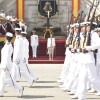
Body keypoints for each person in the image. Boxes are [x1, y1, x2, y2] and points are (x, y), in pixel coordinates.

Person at [0, 32, 24, 97]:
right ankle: (1, 92)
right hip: (3, 65)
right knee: (2, 79)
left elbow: (6, 57)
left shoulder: (8, 46)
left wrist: (4, 66)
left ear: (6, 37)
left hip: (6, 65)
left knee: (8, 80)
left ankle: (19, 88)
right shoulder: (7, 45)